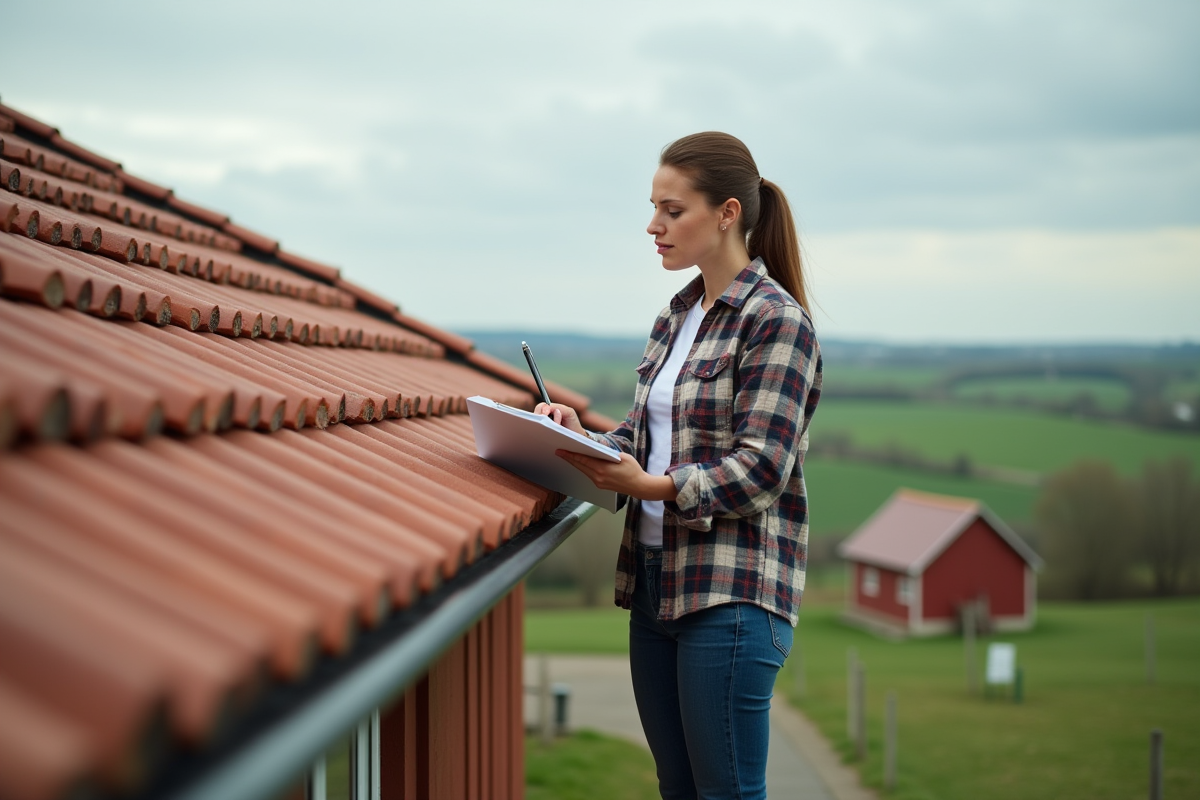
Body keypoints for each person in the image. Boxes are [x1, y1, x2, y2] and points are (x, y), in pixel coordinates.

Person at [536, 131, 822, 800]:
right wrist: (587, 439)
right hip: (656, 588)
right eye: (653, 208)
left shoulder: (776, 321)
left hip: (732, 595)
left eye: (671, 210)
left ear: (727, 213)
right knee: (678, 789)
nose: (653, 225)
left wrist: (654, 487)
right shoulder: (676, 316)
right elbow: (649, 438)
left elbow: (760, 469)